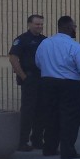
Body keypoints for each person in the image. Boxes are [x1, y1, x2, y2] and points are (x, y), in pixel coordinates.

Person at [35, 15, 80, 159]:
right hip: (70, 85)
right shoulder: (74, 46)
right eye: (74, 26)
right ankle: (67, 150)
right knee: (70, 117)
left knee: (50, 116)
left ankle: (49, 148)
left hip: (48, 83)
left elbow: (38, 62)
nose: (75, 29)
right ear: (68, 27)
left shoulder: (45, 43)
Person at [9, 14, 46, 151]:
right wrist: (24, 77)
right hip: (29, 79)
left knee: (41, 111)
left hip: (42, 79)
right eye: (37, 24)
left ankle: (37, 140)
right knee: (28, 111)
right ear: (29, 24)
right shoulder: (22, 40)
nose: (40, 27)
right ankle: (22, 142)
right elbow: (13, 58)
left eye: (41, 24)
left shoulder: (45, 40)